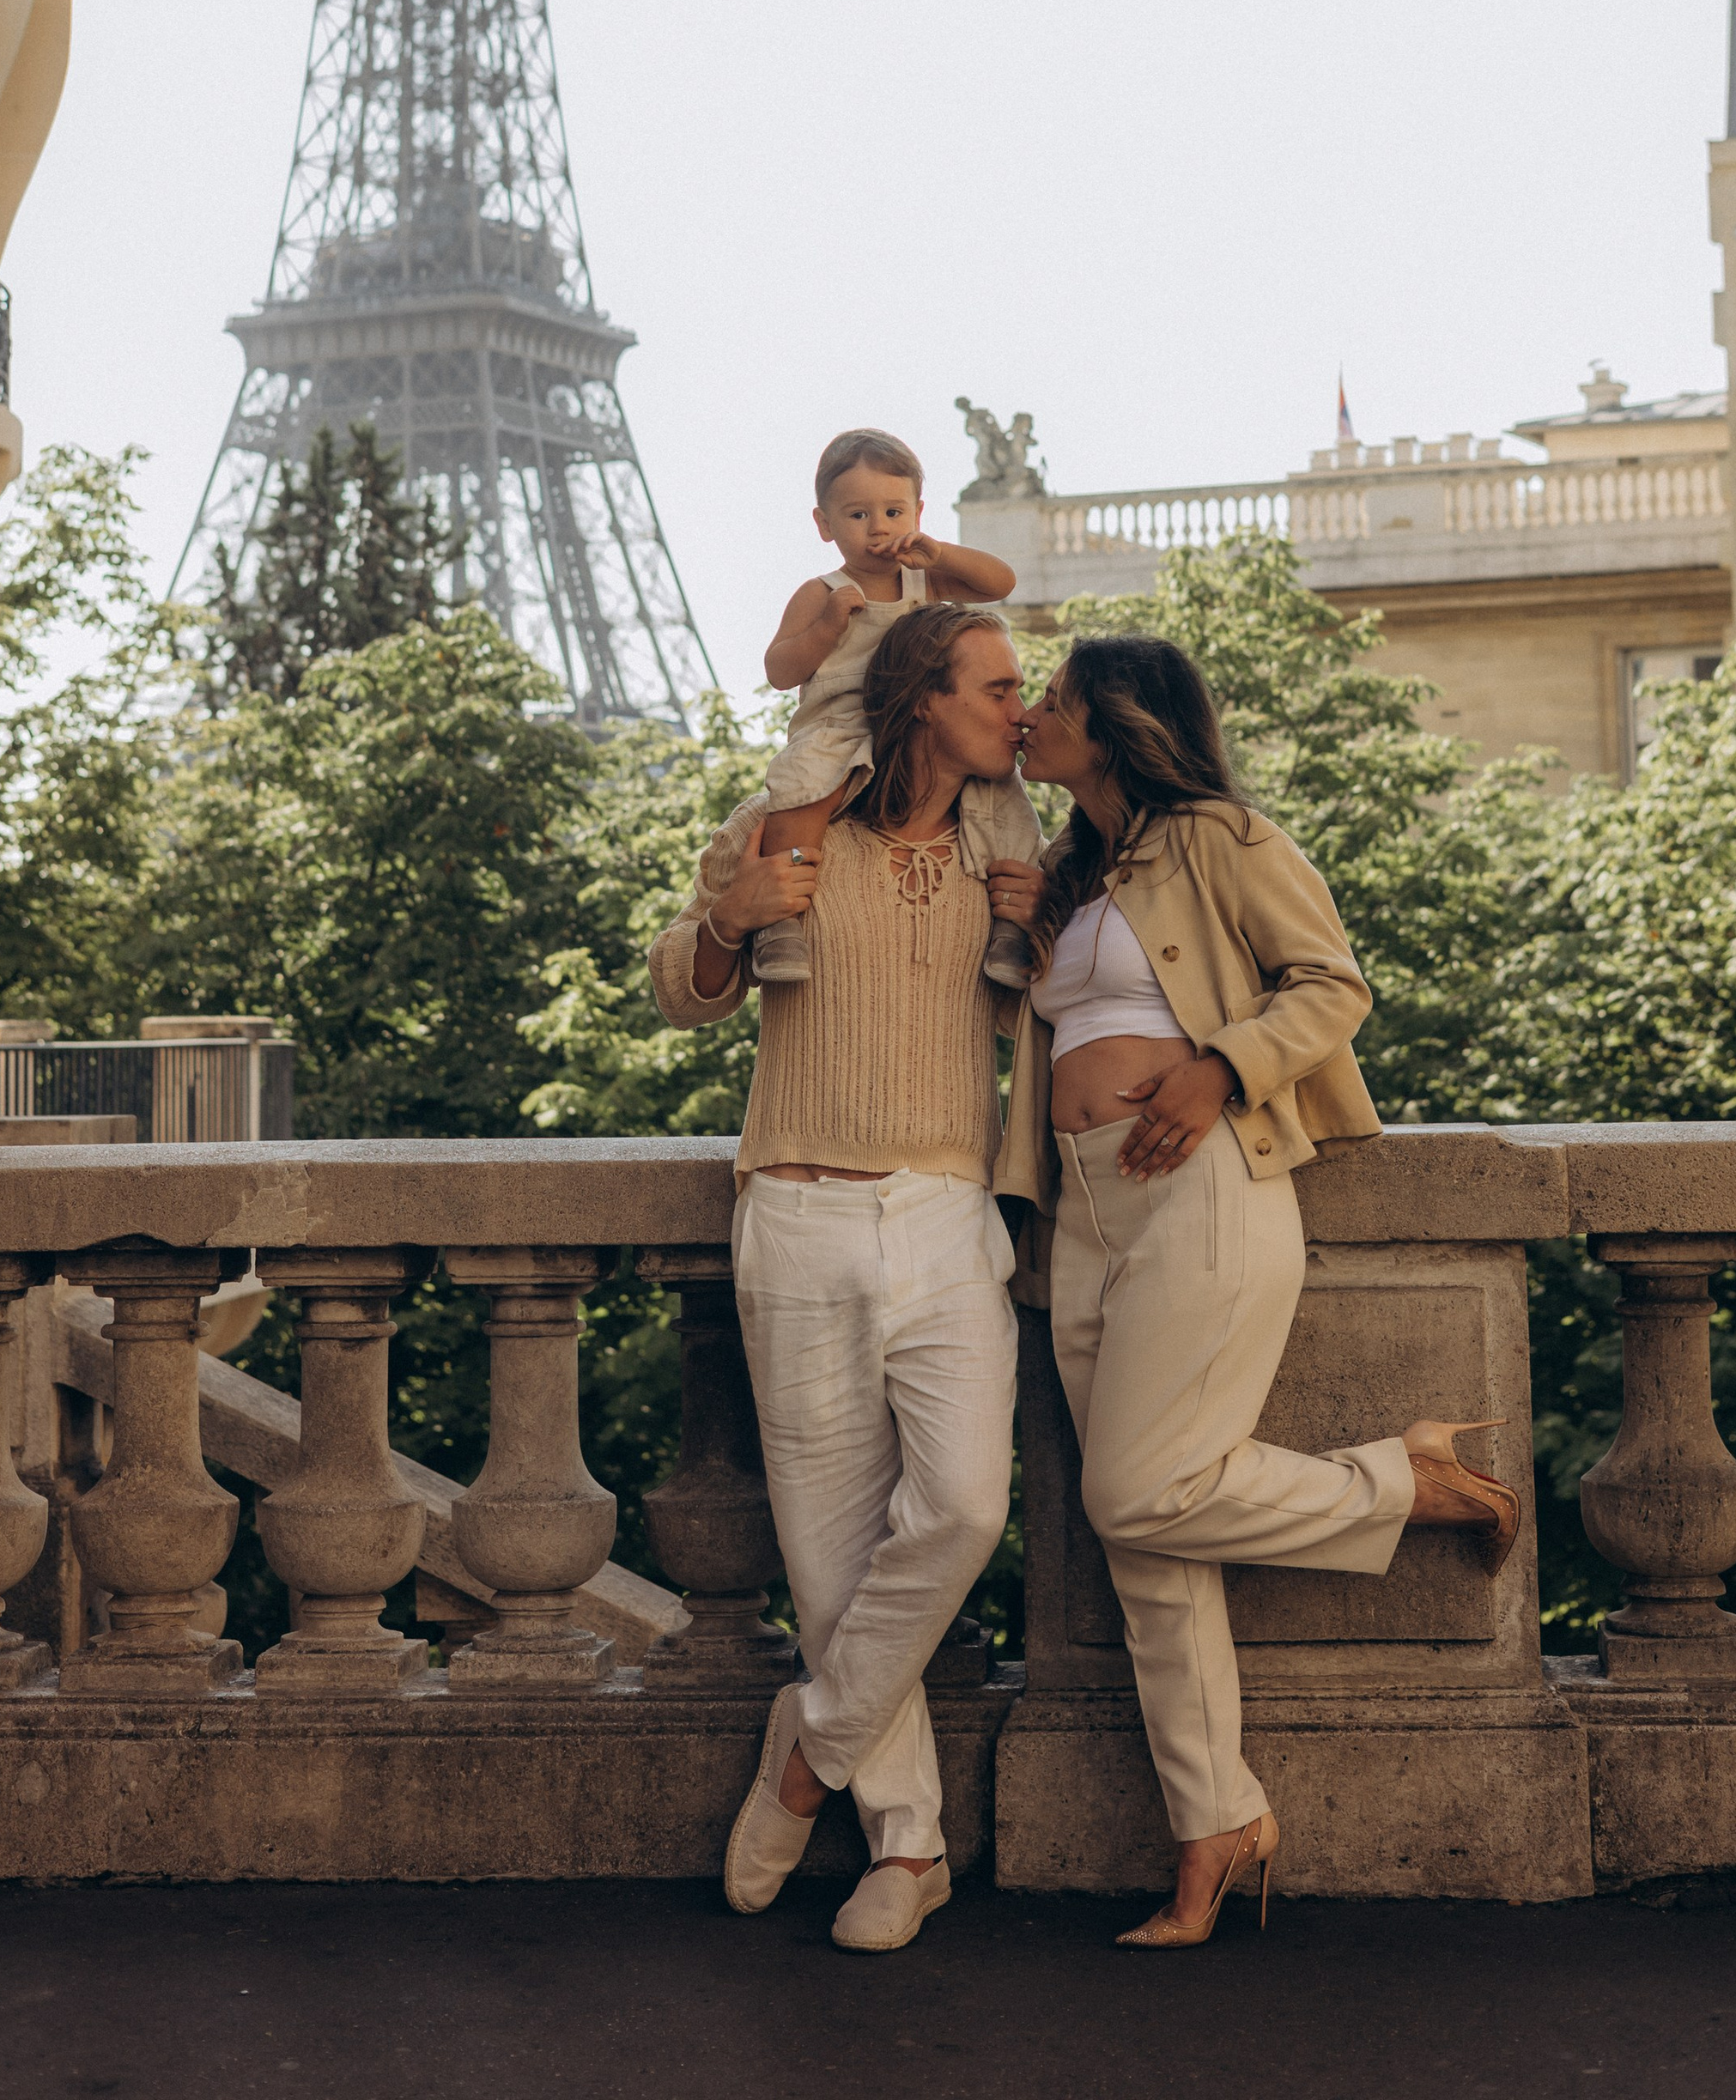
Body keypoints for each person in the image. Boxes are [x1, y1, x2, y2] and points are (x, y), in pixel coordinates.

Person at [1001, 633, 1519, 1951]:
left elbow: (1332, 984)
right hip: (1082, 1209)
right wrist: (1019, 920)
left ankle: (1406, 1483)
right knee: (1150, 1553)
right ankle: (1214, 1829)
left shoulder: (1222, 838)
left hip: (1205, 1188)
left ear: (1116, 722)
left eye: (1052, 700)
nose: (1031, 715)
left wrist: (1221, 1068)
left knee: (1134, 1492)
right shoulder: (1071, 867)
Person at [647, 602, 1045, 1955]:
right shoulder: (791, 828)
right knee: (831, 1557)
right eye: (998, 687)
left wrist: (1048, 935)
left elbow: (1066, 1012)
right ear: (924, 696)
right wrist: (729, 915)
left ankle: (805, 1755)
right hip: (800, 1211)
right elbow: (678, 987)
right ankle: (908, 1845)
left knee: (965, 1509)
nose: (1021, 708)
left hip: (946, 1211)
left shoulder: (1012, 851)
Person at [750, 428, 1041, 990]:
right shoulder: (821, 592)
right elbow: (780, 670)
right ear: (825, 524)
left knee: (1001, 796)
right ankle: (782, 917)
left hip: (912, 727)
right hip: (840, 724)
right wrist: (827, 627)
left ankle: (1009, 924)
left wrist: (941, 552)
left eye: (893, 511)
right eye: (858, 515)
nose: (879, 527)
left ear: (918, 513)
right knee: (802, 784)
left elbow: (1001, 582)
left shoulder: (922, 578)